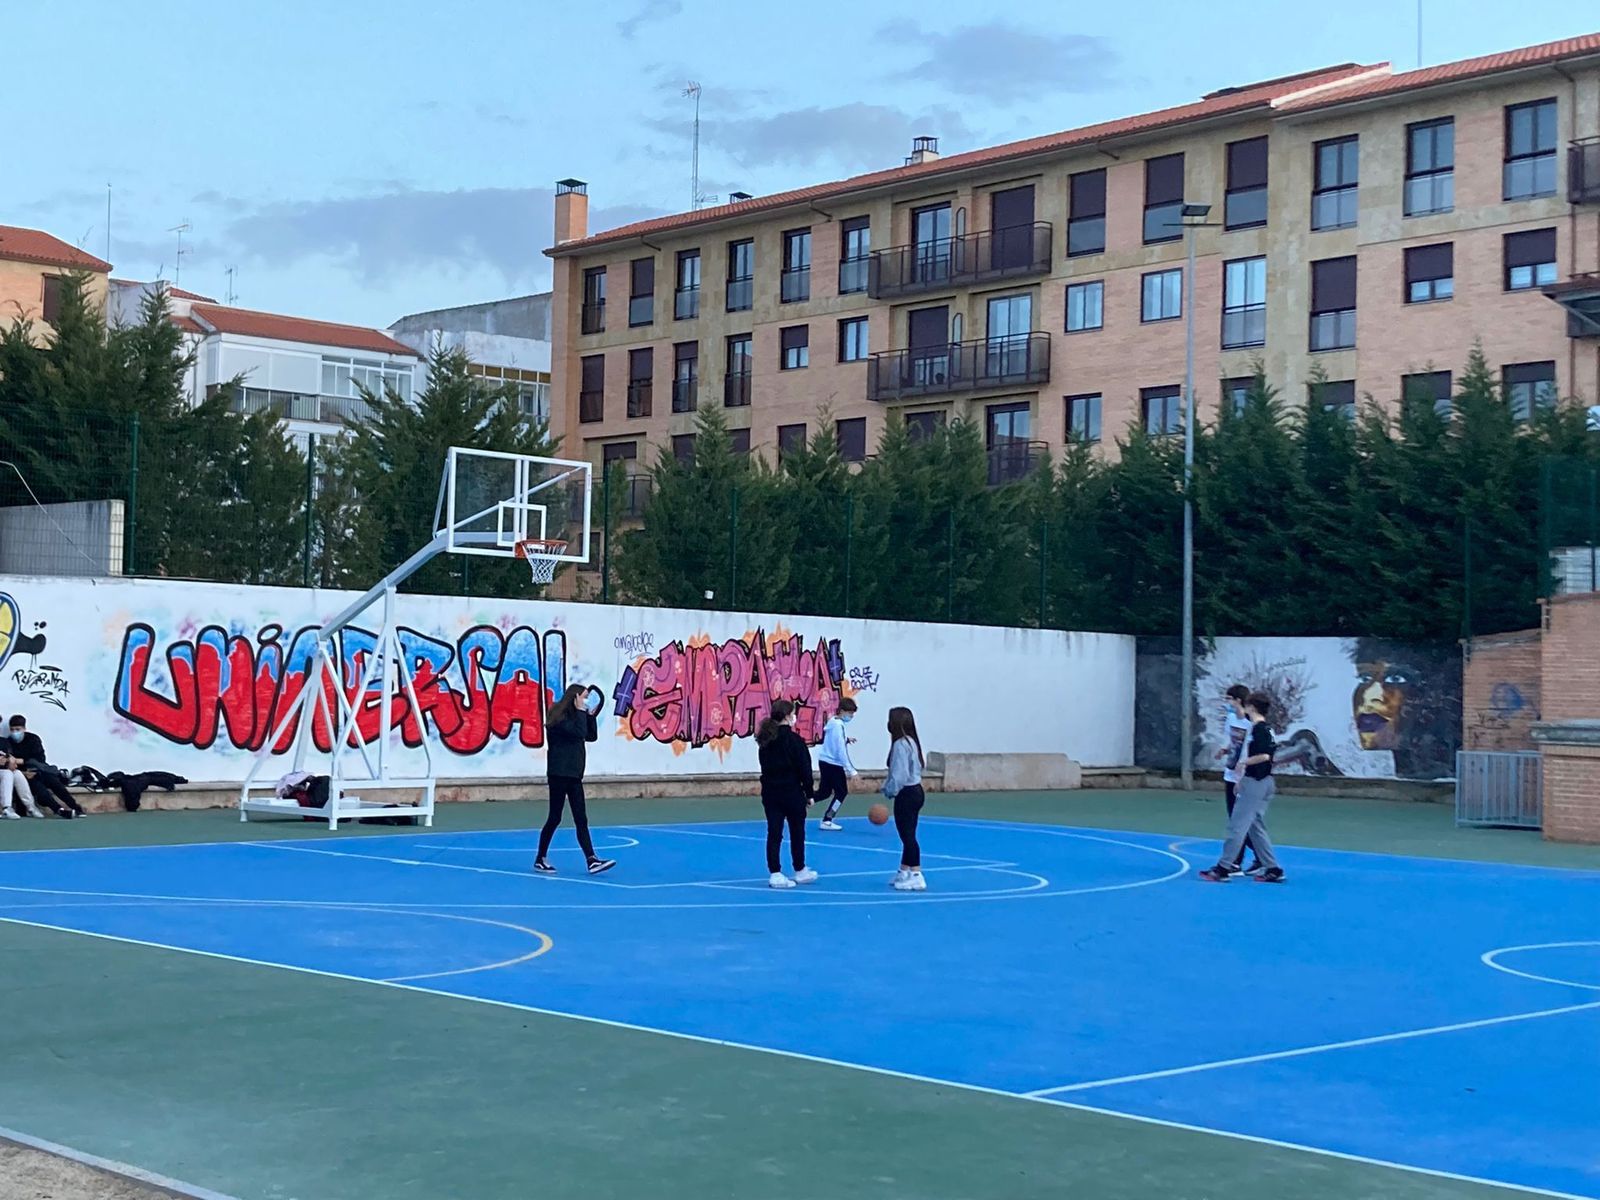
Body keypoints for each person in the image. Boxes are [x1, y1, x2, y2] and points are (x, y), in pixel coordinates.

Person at [1200, 691, 1285, 883]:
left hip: (1256, 782)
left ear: (1252, 708)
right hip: (1263, 781)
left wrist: (1243, 763)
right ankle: (1273, 868)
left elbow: (1264, 756)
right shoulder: (1266, 729)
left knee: (1237, 826)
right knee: (1255, 827)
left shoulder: (1259, 730)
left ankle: (1223, 868)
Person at [534, 685, 615, 876]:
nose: (585, 702)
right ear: (575, 697)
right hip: (559, 774)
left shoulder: (576, 717)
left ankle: (591, 860)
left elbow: (590, 736)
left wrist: (591, 716)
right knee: (555, 817)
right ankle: (540, 858)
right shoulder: (558, 718)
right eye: (583, 698)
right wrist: (581, 713)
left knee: (581, 819)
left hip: (574, 774)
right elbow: (577, 733)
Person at [756, 699, 817, 889]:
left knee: (774, 833)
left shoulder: (765, 740)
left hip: (771, 793)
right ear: (787, 716)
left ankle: (775, 872)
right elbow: (805, 769)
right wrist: (809, 793)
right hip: (791, 792)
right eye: (793, 713)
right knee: (797, 831)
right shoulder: (795, 741)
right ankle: (799, 868)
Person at [882, 706, 927, 892]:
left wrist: (889, 789)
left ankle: (917, 874)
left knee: (907, 836)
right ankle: (904, 870)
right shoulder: (911, 742)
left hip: (906, 793)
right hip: (916, 790)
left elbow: (900, 774)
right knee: (908, 833)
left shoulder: (900, 744)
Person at [8, 714, 83, 818]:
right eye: (12, 730)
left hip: (39, 770)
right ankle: (59, 810)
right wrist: (24, 770)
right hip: (23, 774)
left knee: (55, 784)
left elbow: (40, 759)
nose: (15, 732)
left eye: (18, 729)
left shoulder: (33, 739)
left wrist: (21, 761)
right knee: (40, 790)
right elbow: (10, 764)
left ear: (24, 728)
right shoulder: (9, 742)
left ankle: (75, 807)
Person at [1219, 686, 1259, 874]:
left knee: (1241, 821)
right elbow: (1235, 742)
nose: (1227, 703)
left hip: (1242, 776)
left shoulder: (1251, 724)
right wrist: (1225, 750)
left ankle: (1247, 858)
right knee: (1235, 819)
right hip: (1230, 772)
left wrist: (1241, 778)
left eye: (1229, 699)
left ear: (1238, 700)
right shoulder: (1231, 719)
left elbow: (1249, 751)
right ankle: (1245, 859)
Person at [815, 697, 859, 831]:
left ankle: (801, 802)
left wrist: (846, 739)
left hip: (825, 761)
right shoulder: (838, 726)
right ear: (842, 711)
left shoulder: (833, 722)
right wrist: (852, 771)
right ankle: (827, 820)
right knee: (841, 792)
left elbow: (836, 740)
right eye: (850, 713)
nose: (851, 716)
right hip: (833, 764)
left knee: (824, 792)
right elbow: (840, 750)